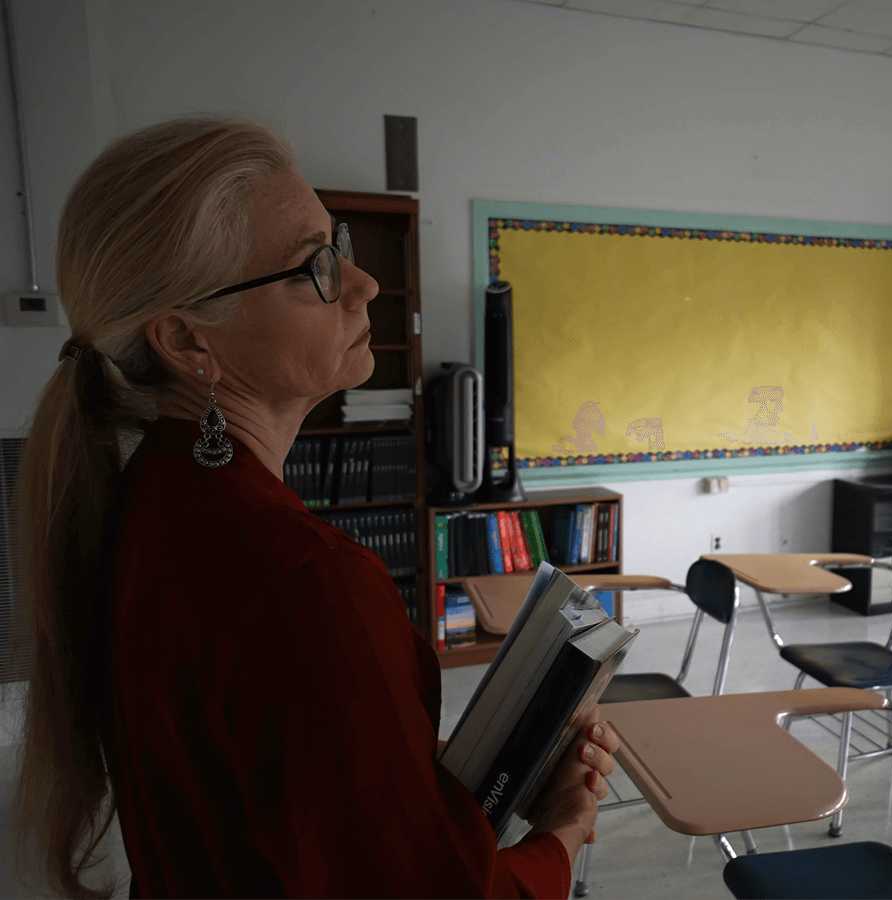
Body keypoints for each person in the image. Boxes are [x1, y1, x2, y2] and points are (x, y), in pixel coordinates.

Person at [9, 117, 616, 899]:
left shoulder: (153, 505)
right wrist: (560, 834)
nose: (361, 284)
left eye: (341, 245)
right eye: (313, 268)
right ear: (189, 340)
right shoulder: (306, 585)